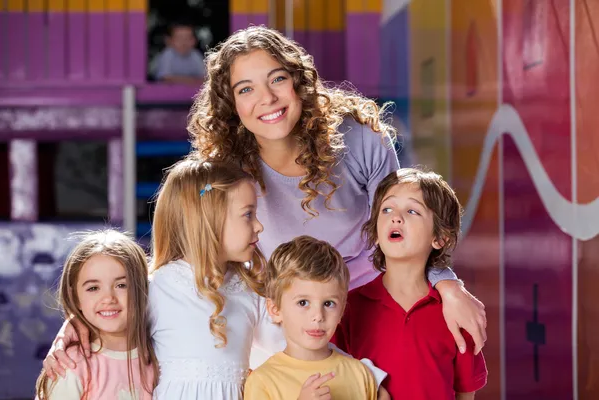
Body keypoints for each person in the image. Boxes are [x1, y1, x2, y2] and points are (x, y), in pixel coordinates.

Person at [187, 25, 486, 352]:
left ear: (298, 81)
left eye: (277, 79)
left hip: (374, 299)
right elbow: (202, 251)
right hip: (287, 318)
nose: (267, 98)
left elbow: (404, 230)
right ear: (230, 104)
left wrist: (447, 285)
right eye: (246, 89)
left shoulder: (358, 138)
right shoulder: (223, 171)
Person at [41, 159, 386, 400]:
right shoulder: (158, 286)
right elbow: (110, 314)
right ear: (210, 221)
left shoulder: (250, 291)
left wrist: (363, 375)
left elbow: (301, 340)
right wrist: (71, 330)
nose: (259, 226)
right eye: (248, 215)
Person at [333, 168, 488, 399]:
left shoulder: (457, 314)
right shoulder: (348, 309)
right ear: (375, 230)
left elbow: (465, 392)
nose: (395, 217)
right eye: (387, 209)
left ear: (440, 238)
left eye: (412, 211)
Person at [244, 236, 380, 400]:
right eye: (303, 302)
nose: (318, 316)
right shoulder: (263, 381)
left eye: (329, 303)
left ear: (342, 310)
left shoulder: (361, 375)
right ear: (275, 309)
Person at [35, 230, 157, 399]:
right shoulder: (70, 365)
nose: (108, 298)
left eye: (122, 285)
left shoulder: (159, 357)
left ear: (143, 288)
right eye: (93, 288)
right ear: (76, 297)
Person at [153, 20, 205, 84]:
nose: (183, 42)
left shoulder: (196, 55)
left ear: (194, 41)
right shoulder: (167, 54)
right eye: (179, 38)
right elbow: (165, 78)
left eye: (188, 38)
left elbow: (204, 79)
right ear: (169, 41)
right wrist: (192, 81)